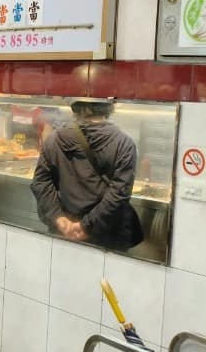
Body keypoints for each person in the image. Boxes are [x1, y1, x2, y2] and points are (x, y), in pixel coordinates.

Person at [31, 98, 142, 251]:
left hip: (65, 231)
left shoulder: (54, 139)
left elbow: (40, 182)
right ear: (109, 107)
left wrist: (58, 217)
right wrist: (86, 227)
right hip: (107, 236)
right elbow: (119, 194)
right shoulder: (124, 143)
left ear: (76, 107)